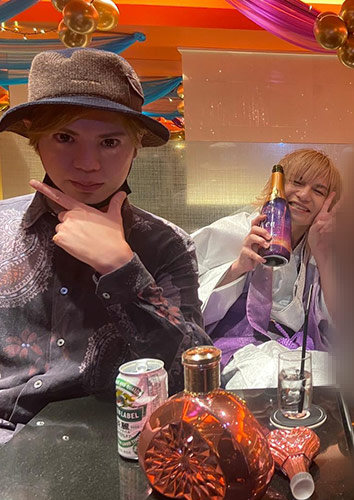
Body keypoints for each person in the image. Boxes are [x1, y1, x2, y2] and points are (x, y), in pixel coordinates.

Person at [0, 48, 210, 442]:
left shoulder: (166, 244)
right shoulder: (1, 229)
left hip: (115, 439)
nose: (88, 163)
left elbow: (194, 378)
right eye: (65, 137)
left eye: (110, 142)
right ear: (36, 141)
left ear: (135, 147)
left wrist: (121, 267)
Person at [193, 149, 342, 367]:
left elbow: (342, 327)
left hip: (302, 353)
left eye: (318, 191)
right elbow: (189, 306)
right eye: (297, 182)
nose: (304, 195)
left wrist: (323, 256)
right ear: (277, 183)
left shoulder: (326, 248)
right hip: (239, 351)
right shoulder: (236, 230)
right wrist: (238, 267)